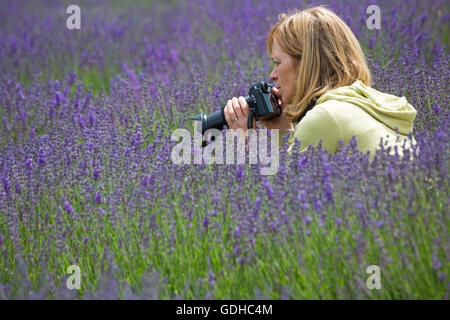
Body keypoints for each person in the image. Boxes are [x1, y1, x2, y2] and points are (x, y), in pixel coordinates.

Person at [223, 6, 417, 161]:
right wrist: (282, 129)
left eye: (277, 62)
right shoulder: (369, 105)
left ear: (306, 64)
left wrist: (246, 144)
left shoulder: (325, 117)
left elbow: (285, 201)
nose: (272, 75)